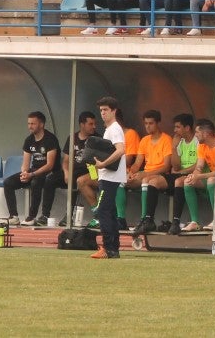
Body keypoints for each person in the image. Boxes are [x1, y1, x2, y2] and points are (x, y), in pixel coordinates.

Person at [3, 111, 61, 227]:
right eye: (29, 123)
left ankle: (32, 216)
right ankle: (13, 216)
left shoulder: (50, 139)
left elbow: (49, 165)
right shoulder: (29, 140)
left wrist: (32, 174)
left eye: (33, 124)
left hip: (49, 172)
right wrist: (25, 173)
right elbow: (26, 162)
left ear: (41, 124)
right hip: (34, 171)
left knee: (36, 182)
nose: (30, 126)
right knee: (8, 182)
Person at [91, 97, 129, 259]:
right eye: (101, 110)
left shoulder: (114, 129)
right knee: (110, 212)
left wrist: (104, 163)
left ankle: (108, 247)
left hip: (110, 177)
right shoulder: (110, 129)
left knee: (103, 211)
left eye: (106, 110)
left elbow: (120, 150)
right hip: (108, 176)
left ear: (114, 111)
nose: (103, 113)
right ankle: (113, 248)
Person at [125, 110, 174, 234]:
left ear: (158, 123)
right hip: (145, 174)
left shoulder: (166, 139)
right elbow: (137, 163)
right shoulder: (144, 140)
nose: (147, 126)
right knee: (121, 181)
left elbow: (166, 166)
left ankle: (145, 219)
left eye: (151, 123)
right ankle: (119, 218)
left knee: (146, 180)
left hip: (160, 175)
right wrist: (131, 172)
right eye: (145, 123)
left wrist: (146, 174)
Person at [61, 111, 100, 224]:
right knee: (51, 179)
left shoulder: (97, 138)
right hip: (76, 170)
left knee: (79, 180)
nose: (94, 126)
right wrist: (66, 172)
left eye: (94, 124)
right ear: (82, 125)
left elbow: (100, 162)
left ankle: (97, 215)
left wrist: (93, 174)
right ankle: (67, 215)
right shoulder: (72, 138)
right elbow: (66, 161)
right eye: (91, 124)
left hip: (93, 170)